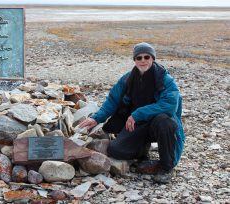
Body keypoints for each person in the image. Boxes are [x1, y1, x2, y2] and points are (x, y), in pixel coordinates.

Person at [79, 42, 185, 184]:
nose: (143, 60)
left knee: (165, 122)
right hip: (136, 125)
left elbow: (170, 105)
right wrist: (96, 119)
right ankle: (142, 151)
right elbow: (112, 101)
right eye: (139, 58)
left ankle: (166, 167)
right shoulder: (127, 79)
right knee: (116, 150)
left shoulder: (165, 79)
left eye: (146, 57)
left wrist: (137, 114)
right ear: (134, 60)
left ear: (153, 59)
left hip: (157, 124)